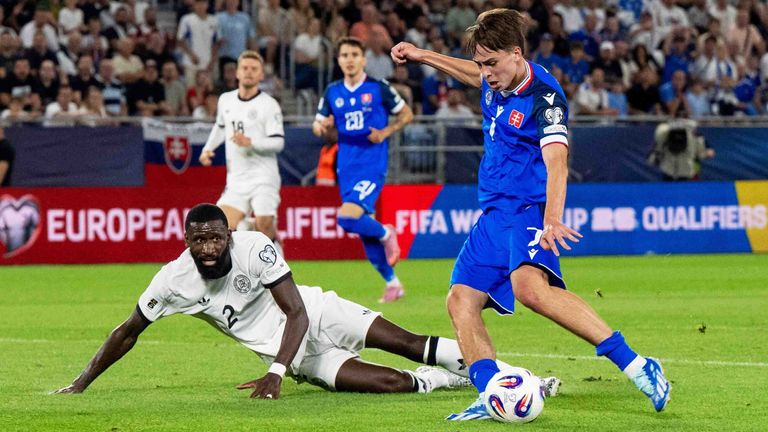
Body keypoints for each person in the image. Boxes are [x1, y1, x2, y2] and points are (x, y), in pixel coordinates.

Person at [391, 8, 671, 421]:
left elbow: (557, 162)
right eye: (481, 64)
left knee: (530, 290)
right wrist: (423, 55)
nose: (486, 73)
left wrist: (552, 219)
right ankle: (490, 392)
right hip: (494, 212)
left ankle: (636, 365)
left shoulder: (544, 97)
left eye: (492, 63)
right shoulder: (493, 78)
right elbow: (471, 75)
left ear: (516, 54)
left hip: (527, 208)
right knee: (461, 299)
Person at [53, 203, 562, 398]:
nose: (207, 248)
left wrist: (274, 373)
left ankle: (521, 381)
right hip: (296, 355)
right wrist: (81, 383)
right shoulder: (172, 281)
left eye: (215, 238)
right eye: (198, 240)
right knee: (391, 383)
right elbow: (127, 332)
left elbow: (295, 310)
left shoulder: (256, 246)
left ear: (229, 236)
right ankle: (451, 381)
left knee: (408, 342)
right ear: (185, 240)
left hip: (315, 314)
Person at [312, 37, 414, 304]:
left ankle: (387, 233)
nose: (349, 59)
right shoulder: (332, 91)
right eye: (344, 55)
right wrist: (321, 127)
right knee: (363, 227)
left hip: (372, 163)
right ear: (338, 60)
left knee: (347, 218)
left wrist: (385, 132)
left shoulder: (379, 88)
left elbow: (407, 114)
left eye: (354, 55)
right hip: (346, 165)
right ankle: (393, 283)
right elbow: (317, 124)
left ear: (363, 59)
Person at [199, 51, 284, 250]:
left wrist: (251, 143)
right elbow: (221, 126)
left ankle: (276, 253)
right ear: (237, 72)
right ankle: (247, 227)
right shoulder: (226, 100)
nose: (249, 72)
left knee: (264, 227)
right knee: (220, 228)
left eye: (254, 69)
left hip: (264, 177)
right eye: (245, 68)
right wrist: (208, 148)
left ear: (261, 75)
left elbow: (278, 142)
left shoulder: (269, 105)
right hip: (237, 179)